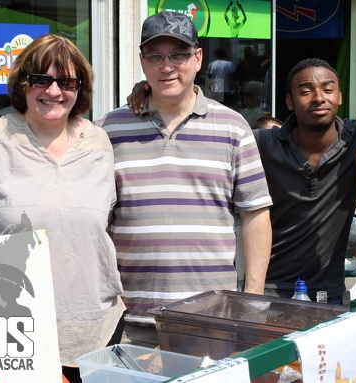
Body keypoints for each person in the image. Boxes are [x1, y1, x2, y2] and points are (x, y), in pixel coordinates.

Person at [128, 56, 356, 304]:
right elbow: (201, 121)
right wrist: (149, 91)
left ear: (339, 96)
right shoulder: (261, 144)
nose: (317, 97)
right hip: (267, 293)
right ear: (290, 101)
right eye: (305, 90)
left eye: (327, 89)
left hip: (329, 296)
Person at [0, 34, 124, 383]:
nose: (54, 91)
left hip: (96, 329)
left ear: (80, 88)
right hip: (9, 332)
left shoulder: (99, 142)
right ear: (23, 84)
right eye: (42, 80)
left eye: (67, 81)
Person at [95, 11, 272, 348]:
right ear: (142, 62)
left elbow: (256, 215)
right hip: (129, 325)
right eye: (155, 56)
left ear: (198, 58)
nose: (167, 66)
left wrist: (253, 299)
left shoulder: (233, 128)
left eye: (178, 54)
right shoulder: (107, 130)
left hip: (211, 321)